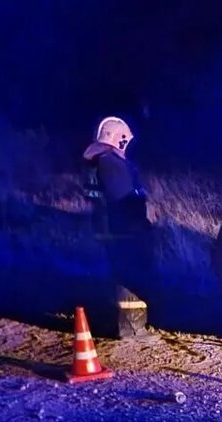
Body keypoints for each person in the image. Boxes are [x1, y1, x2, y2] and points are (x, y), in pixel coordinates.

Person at [82, 116, 151, 339]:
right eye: (125, 141)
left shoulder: (99, 161)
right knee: (130, 276)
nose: (127, 146)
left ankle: (124, 326)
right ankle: (132, 329)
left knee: (120, 273)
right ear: (118, 139)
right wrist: (140, 223)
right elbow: (124, 199)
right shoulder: (110, 163)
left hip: (111, 228)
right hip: (123, 229)